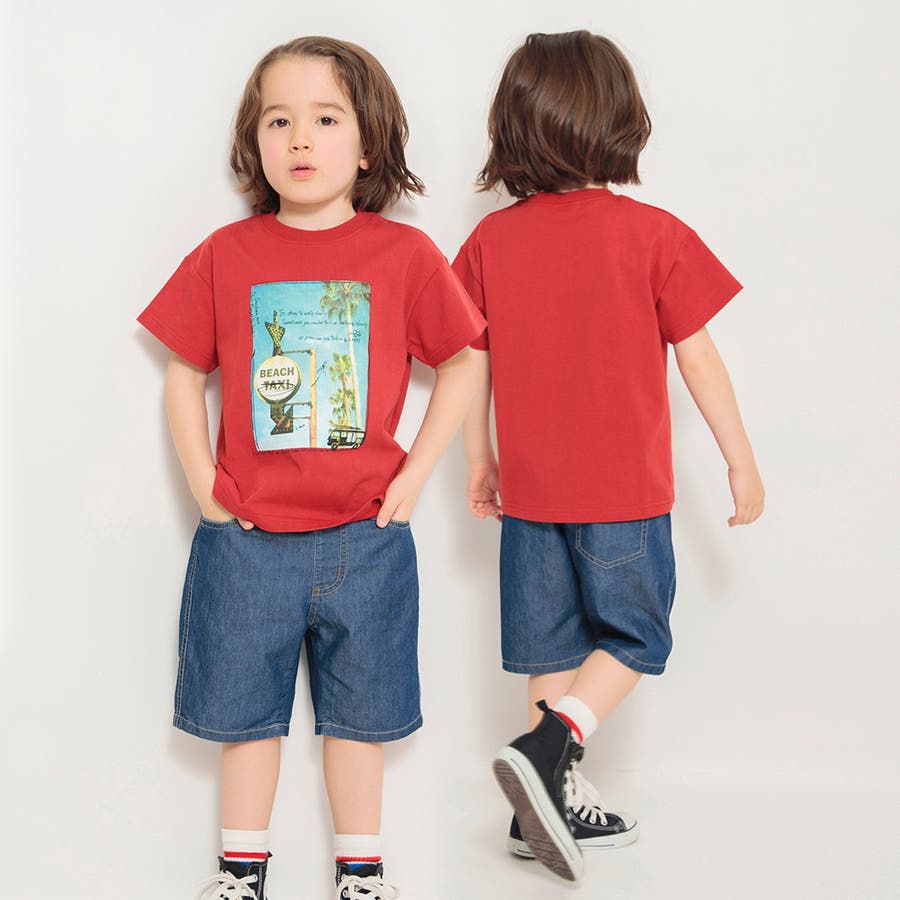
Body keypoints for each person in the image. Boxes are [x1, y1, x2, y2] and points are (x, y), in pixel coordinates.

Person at [138, 36, 484, 900]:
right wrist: (204, 485)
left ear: (368, 146)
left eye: (327, 120)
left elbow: (465, 360)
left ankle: (360, 872)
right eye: (278, 121)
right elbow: (183, 372)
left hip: (366, 539)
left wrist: (414, 476)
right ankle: (240, 873)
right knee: (244, 716)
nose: (299, 138)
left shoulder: (404, 257)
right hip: (247, 540)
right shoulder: (226, 253)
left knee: (358, 718)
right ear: (253, 142)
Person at [452, 30, 764, 883]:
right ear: (618, 119)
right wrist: (740, 458)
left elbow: (468, 361)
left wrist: (479, 458)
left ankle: (539, 807)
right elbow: (699, 356)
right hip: (623, 492)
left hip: (530, 492)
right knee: (636, 633)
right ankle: (550, 748)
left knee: (548, 644)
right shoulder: (654, 233)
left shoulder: (491, 243)